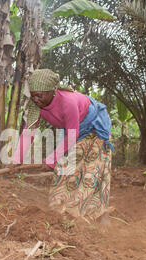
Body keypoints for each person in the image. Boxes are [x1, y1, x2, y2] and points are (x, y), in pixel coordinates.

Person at [9, 69, 114, 224]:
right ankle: (59, 211)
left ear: (53, 91)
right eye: (33, 95)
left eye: (40, 95)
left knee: (91, 171)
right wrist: (16, 159)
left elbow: (72, 134)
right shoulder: (35, 106)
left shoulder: (68, 101)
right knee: (64, 170)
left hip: (94, 129)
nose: (36, 99)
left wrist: (51, 159)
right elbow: (28, 133)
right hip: (73, 132)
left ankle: (93, 214)